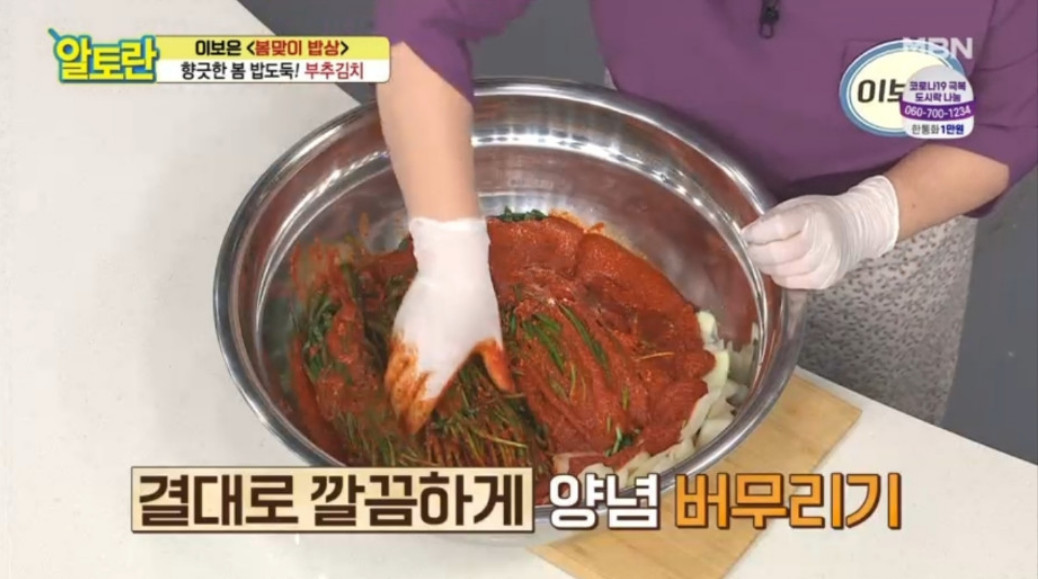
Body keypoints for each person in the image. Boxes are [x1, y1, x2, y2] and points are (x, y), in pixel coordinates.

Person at [374, 0, 1038, 432]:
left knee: (867, 434)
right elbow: (425, 19)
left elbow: (1012, 121)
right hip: (657, 192)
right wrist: (451, 258)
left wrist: (868, 218)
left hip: (891, 241)